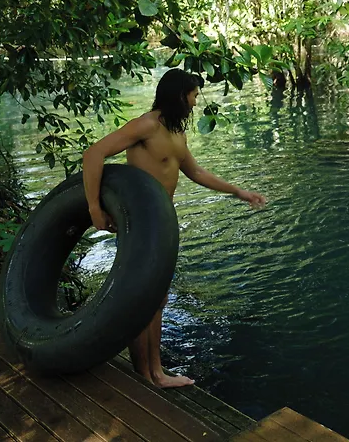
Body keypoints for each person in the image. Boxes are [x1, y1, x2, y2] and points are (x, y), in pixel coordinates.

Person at [83, 68, 265, 388]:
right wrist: (95, 208)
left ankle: (154, 372)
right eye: (193, 96)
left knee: (157, 298)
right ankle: (148, 375)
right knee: (143, 298)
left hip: (163, 223)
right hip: (140, 222)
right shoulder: (146, 126)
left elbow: (196, 172)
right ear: (180, 96)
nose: (195, 103)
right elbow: (94, 153)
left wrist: (238, 192)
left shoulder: (177, 132)